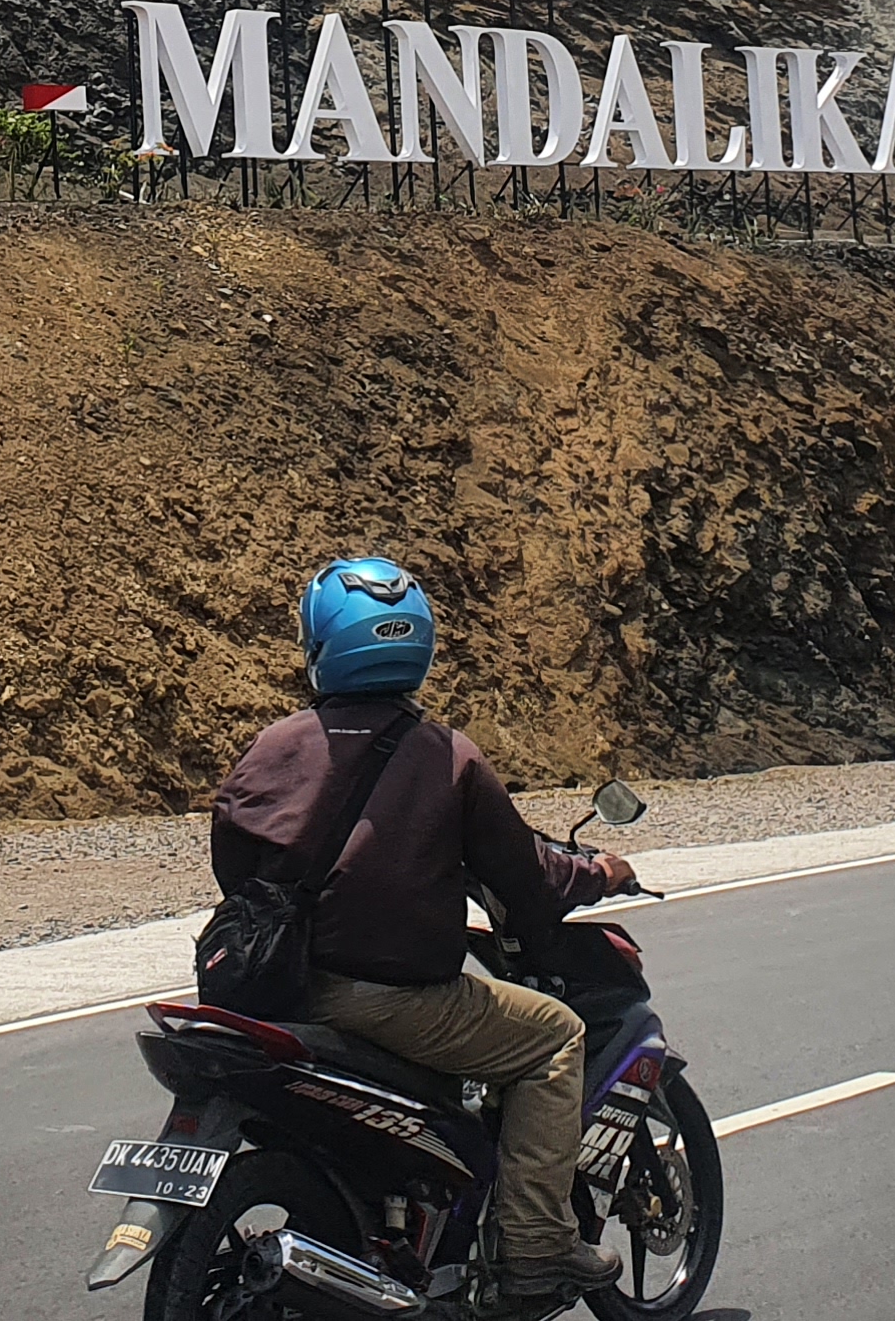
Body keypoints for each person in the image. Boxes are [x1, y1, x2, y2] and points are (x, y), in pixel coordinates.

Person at [210, 559, 635, 1307]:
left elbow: (236, 869)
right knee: (555, 1038)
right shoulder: (447, 754)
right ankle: (537, 1248)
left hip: (279, 991)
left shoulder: (271, 746)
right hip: (391, 1004)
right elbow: (529, 884)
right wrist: (601, 872)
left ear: (319, 645)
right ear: (418, 646)